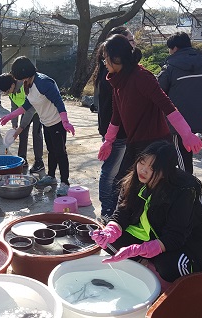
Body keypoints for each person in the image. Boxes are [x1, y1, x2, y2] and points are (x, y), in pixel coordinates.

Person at [97, 35, 202, 213]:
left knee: (153, 188)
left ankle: (171, 220)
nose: (103, 62)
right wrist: (108, 141)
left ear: (116, 58)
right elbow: (117, 116)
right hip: (135, 142)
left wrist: (186, 133)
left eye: (105, 57)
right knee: (126, 185)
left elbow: (167, 106)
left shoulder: (141, 77)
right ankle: (122, 222)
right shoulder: (117, 81)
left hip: (155, 144)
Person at [91, 140, 202, 284]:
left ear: (166, 172)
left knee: (168, 266)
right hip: (151, 237)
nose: (143, 170)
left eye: (152, 168)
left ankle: (166, 281)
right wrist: (110, 231)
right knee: (108, 241)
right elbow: (121, 213)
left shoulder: (183, 192)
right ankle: (146, 264)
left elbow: (175, 237)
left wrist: (139, 249)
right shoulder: (133, 181)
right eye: (142, 163)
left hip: (186, 247)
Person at [1, 56, 76, 196]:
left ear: (24, 72)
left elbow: (59, 102)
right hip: (46, 122)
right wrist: (10, 116)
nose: (17, 80)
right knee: (51, 151)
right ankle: (51, 177)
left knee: (60, 153)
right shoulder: (28, 83)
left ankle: (65, 182)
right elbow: (27, 105)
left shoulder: (43, 82)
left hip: (57, 123)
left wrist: (65, 121)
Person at [158, 32, 202, 174]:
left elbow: (159, 92)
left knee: (180, 153)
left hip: (176, 119)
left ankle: (186, 186)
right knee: (185, 151)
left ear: (174, 48)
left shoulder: (170, 66)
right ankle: (183, 183)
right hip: (200, 116)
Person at [92, 26, 135, 222]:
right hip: (115, 131)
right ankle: (107, 211)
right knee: (110, 171)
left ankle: (113, 208)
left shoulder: (109, 70)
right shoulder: (111, 74)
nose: (134, 46)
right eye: (130, 42)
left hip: (116, 130)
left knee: (118, 172)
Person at [0, 73, 44, 173]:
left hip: (37, 110)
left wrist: (21, 126)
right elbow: (14, 106)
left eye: (7, 91)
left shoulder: (24, 86)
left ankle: (39, 161)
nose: (7, 93)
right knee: (22, 134)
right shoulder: (11, 92)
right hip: (24, 110)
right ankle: (22, 158)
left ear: (12, 85)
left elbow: (30, 110)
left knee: (36, 133)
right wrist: (15, 125)